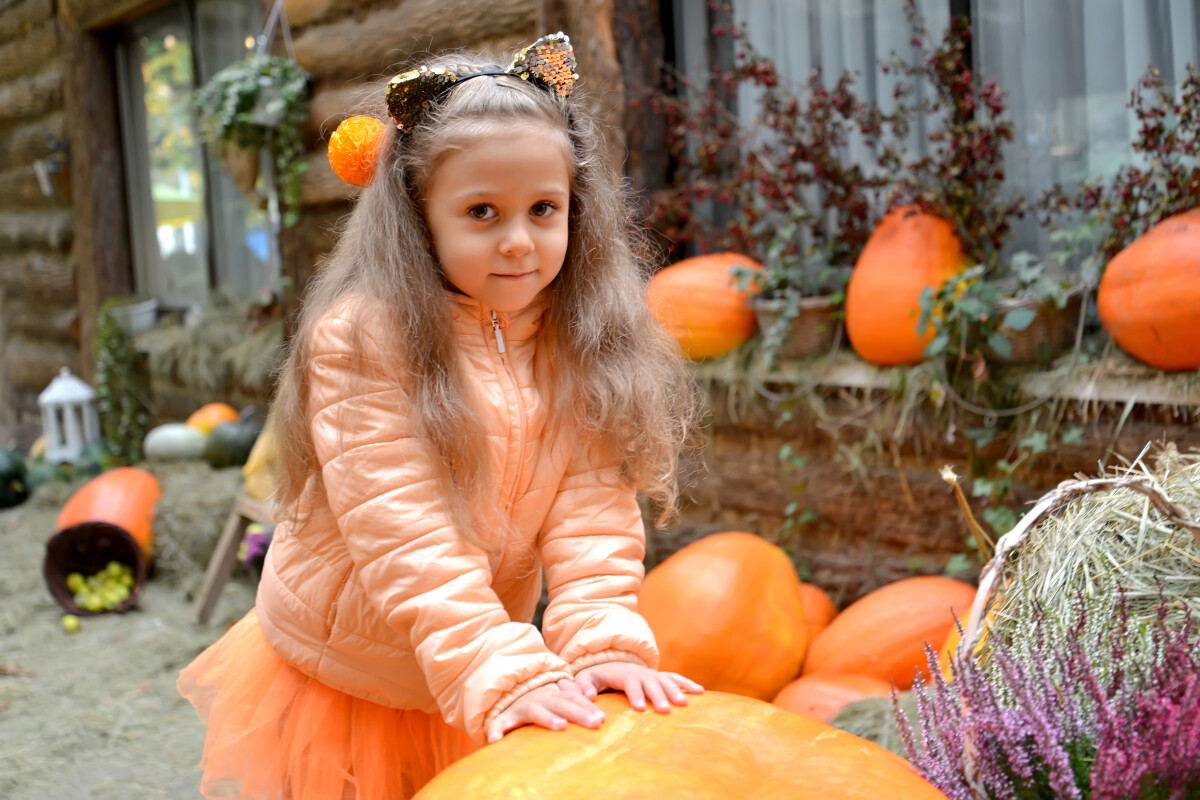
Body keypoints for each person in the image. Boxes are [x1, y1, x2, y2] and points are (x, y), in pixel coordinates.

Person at [178, 33, 703, 800]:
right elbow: (402, 525)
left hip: (471, 660)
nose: (520, 241)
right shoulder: (365, 336)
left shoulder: (582, 331)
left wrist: (598, 643)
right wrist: (494, 660)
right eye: (482, 211)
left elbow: (593, 505)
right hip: (351, 668)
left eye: (544, 209)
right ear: (419, 217)